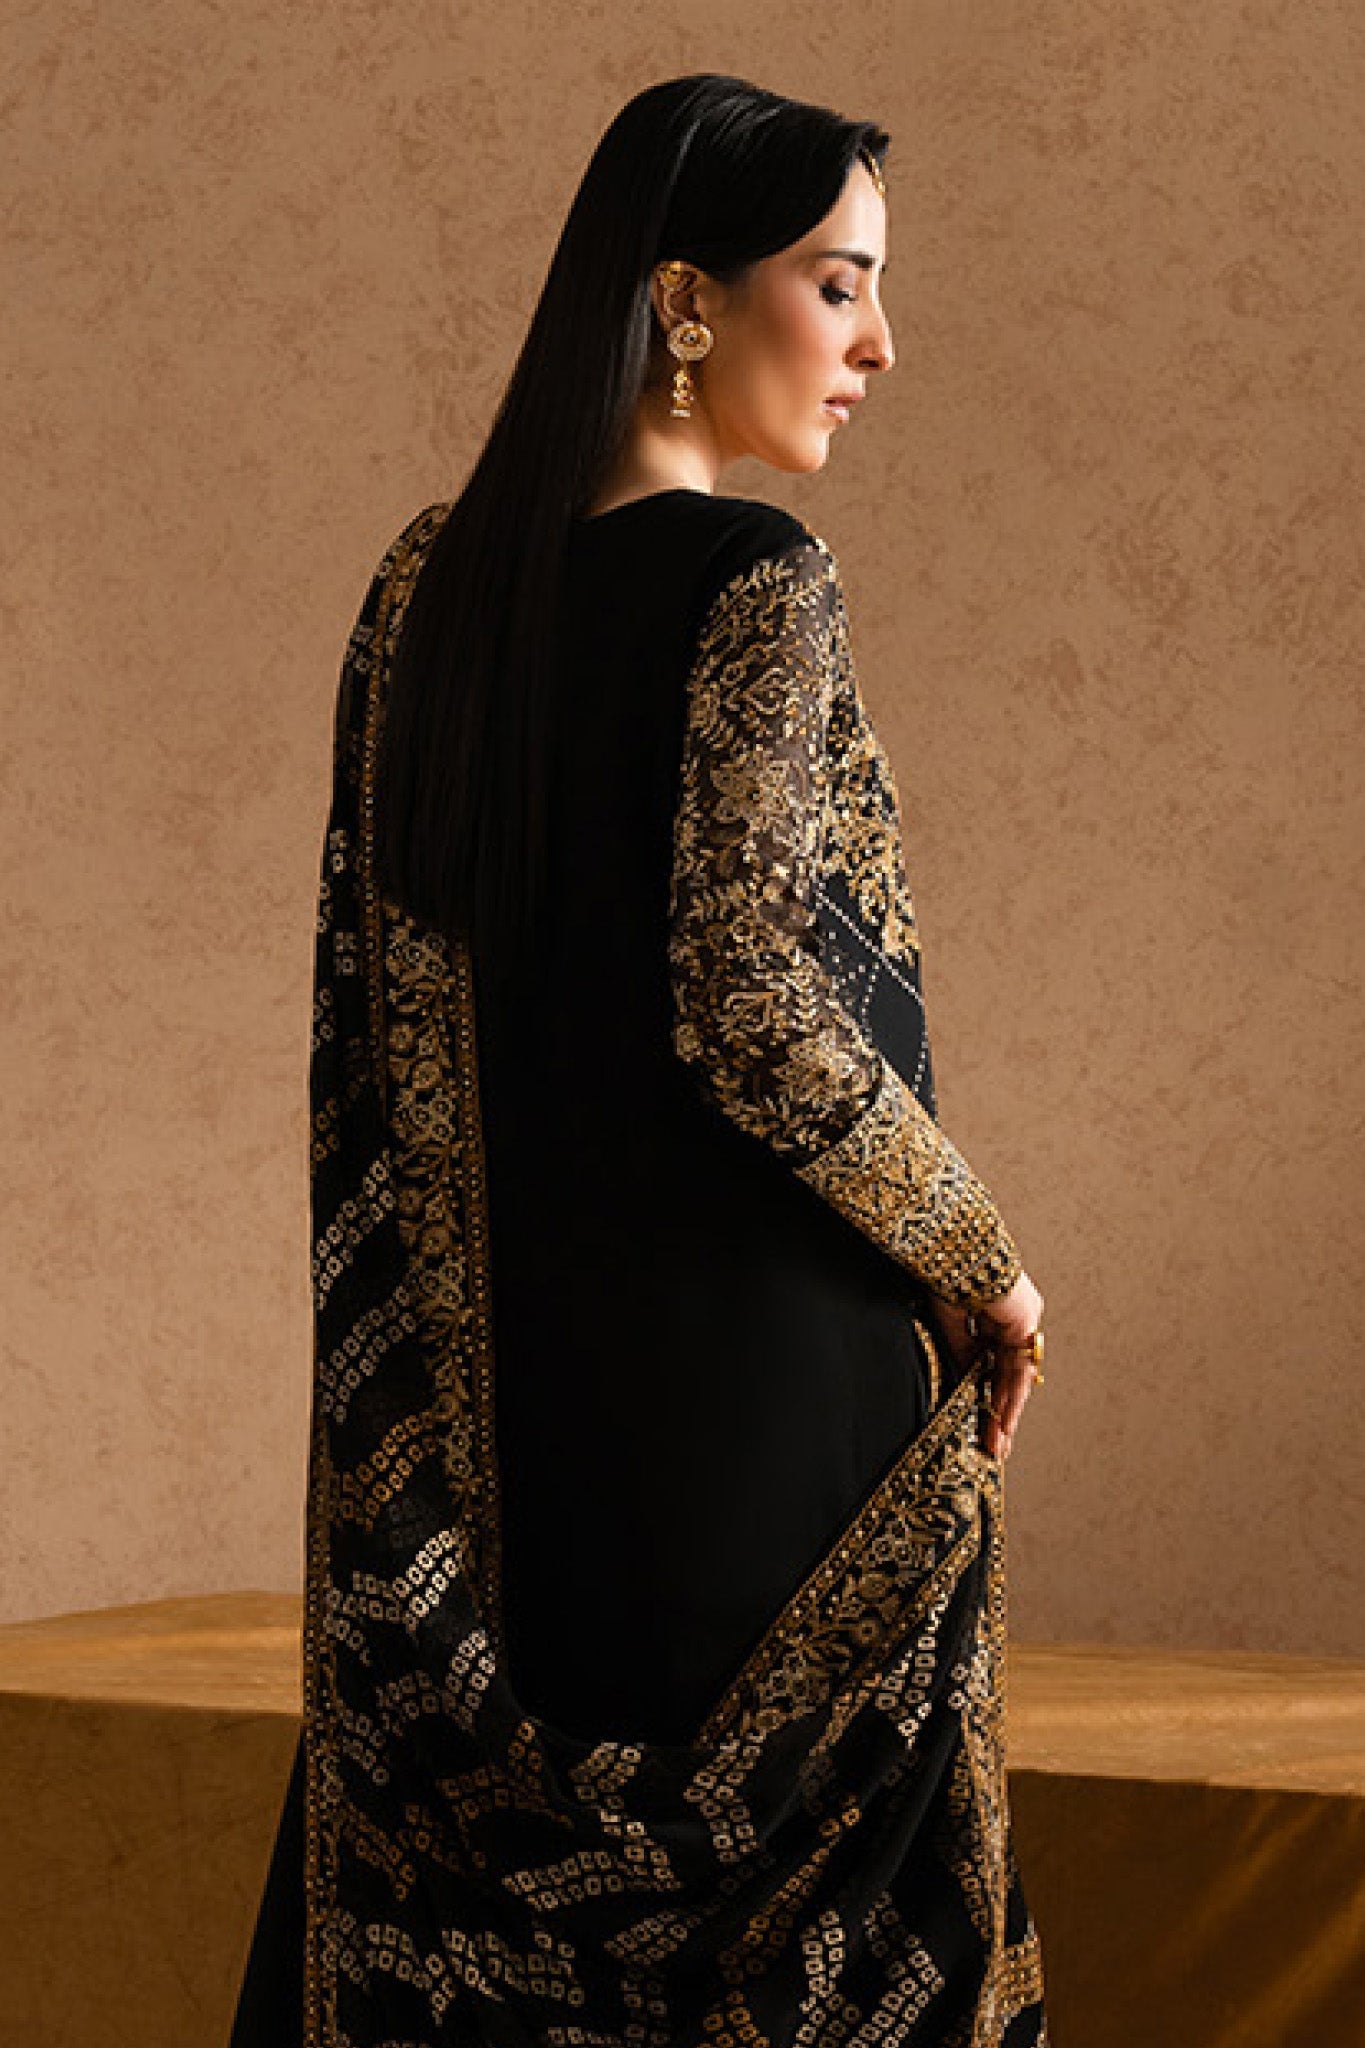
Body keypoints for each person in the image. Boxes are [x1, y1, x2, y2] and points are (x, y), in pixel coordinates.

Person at [229, 71, 1048, 2048]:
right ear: (685, 298)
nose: (875, 343)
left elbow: (370, 1047)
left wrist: (400, 1463)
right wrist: (981, 1261)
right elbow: (752, 1012)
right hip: (763, 1441)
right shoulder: (752, 578)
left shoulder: (423, 594)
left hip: (502, 1451)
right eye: (836, 283)